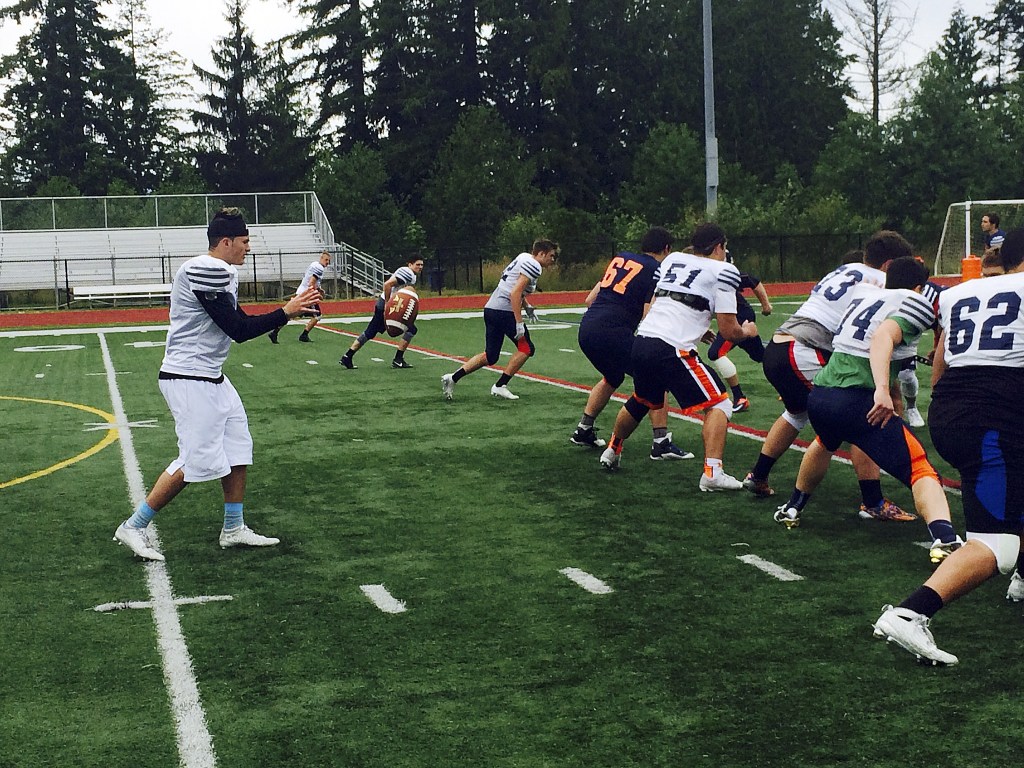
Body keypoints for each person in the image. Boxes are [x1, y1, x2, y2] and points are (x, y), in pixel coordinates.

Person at [113, 208, 322, 561]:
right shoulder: (205, 269)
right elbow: (238, 331)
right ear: (225, 242)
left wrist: (287, 312)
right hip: (188, 377)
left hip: (211, 376)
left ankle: (233, 527)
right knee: (195, 459)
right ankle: (134, 525)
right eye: (244, 241)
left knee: (238, 447)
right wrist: (286, 311)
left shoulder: (223, 272)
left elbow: (241, 320)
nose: (248, 248)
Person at [872, 229, 1024, 666]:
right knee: (996, 548)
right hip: (995, 420)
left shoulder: (958, 292)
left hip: (954, 411)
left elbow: (932, 358)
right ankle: (911, 612)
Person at [772, 256, 963, 564]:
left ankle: (792, 507)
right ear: (918, 287)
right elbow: (882, 338)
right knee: (920, 466)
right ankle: (945, 537)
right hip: (857, 399)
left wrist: (892, 392)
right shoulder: (914, 301)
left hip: (821, 395)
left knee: (825, 442)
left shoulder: (865, 295)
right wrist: (883, 391)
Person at [742, 240, 912, 522]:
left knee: (796, 413)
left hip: (780, 345)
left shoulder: (846, 268)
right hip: (806, 348)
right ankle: (873, 501)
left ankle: (758, 475)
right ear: (890, 265)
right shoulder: (883, 282)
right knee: (862, 416)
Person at [597, 222, 759, 491]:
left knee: (642, 400)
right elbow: (730, 331)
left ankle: (612, 450)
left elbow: (675, 298)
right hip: (672, 348)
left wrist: (700, 327)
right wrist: (749, 331)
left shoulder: (673, 259)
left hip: (644, 340)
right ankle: (712, 472)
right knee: (719, 404)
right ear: (719, 246)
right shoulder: (724, 270)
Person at [570, 226, 693, 460]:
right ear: (666, 249)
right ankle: (661, 442)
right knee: (655, 375)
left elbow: (589, 300)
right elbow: (649, 314)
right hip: (612, 331)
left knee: (613, 377)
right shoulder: (656, 269)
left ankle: (584, 429)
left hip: (587, 328)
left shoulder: (621, 258)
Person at [442, 240, 558, 401]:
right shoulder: (534, 265)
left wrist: (527, 306)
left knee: (491, 356)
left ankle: (453, 378)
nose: (553, 260)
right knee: (526, 348)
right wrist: (519, 323)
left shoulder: (523, 257)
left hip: (491, 309)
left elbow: (510, 285)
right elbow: (515, 293)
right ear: (541, 253)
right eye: (551, 256)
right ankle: (500, 385)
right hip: (504, 311)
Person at [705, 249, 772, 413]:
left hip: (740, 318)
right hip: (732, 318)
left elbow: (753, 280)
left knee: (715, 352)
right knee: (761, 356)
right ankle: (791, 382)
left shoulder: (721, 274)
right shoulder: (702, 276)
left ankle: (739, 397)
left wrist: (766, 305)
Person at [340, 255, 425, 369]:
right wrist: (387, 304)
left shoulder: (411, 275)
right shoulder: (407, 272)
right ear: (410, 265)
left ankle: (348, 356)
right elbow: (387, 284)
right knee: (371, 332)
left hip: (391, 305)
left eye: (421, 265)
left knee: (409, 329)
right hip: (387, 305)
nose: (420, 267)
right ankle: (348, 356)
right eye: (417, 264)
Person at [269, 250, 330, 343]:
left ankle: (275, 332)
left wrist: (319, 289)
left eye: (328, 261)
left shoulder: (314, 264)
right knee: (317, 315)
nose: (327, 263)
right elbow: (311, 283)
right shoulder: (319, 268)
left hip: (301, 292)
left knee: (290, 315)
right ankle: (304, 335)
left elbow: (310, 279)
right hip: (306, 295)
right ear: (321, 258)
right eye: (326, 260)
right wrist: (317, 294)